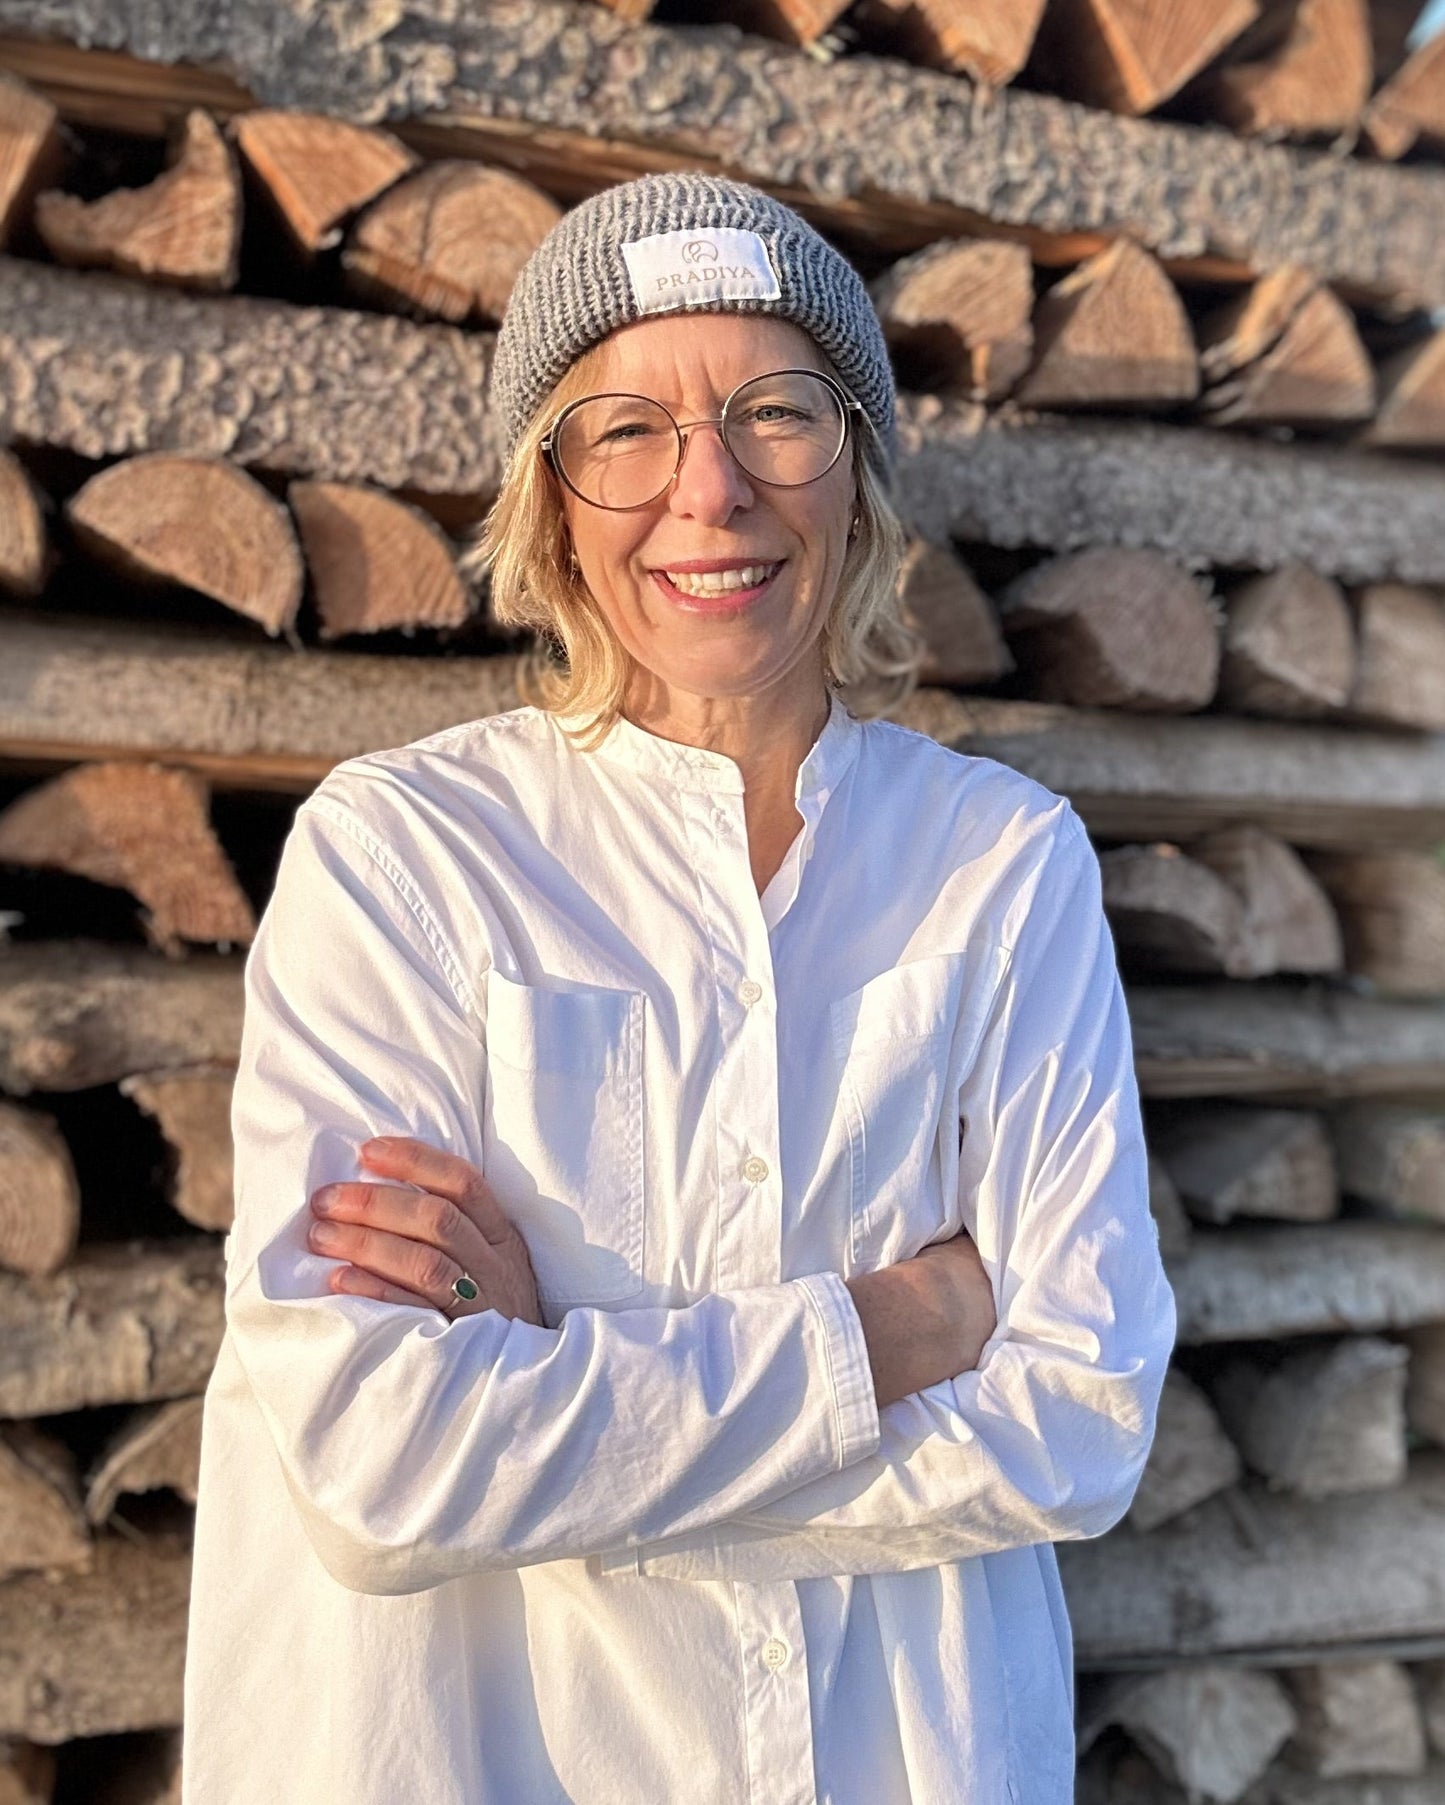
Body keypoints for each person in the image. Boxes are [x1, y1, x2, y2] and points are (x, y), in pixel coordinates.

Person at [181, 171, 1177, 1805]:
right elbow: (380, 1464)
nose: (707, 491)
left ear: (854, 469)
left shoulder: (1000, 865)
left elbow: (1079, 1413)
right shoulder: (406, 857)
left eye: (776, 412)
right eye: (624, 428)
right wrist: (902, 1321)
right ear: (550, 497)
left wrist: (567, 1383)